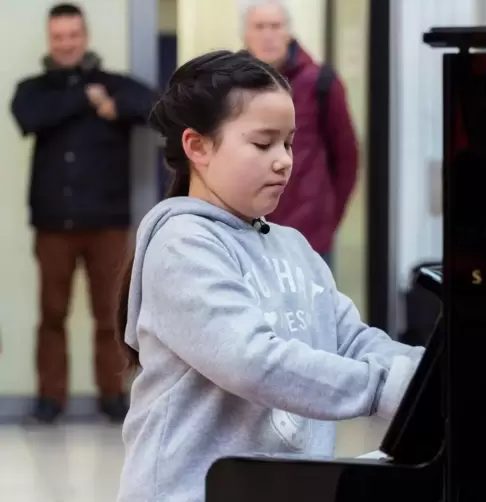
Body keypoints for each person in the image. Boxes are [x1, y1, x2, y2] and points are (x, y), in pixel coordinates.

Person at [115, 50, 423, 502]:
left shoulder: (293, 246)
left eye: (289, 143)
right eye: (263, 144)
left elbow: (352, 340)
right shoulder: (181, 243)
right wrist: (385, 388)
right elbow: (251, 361)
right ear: (197, 147)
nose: (283, 161)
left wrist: (424, 374)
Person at [9, 3, 155, 424]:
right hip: (53, 223)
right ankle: (49, 399)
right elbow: (27, 117)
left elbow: (153, 104)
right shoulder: (34, 89)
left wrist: (112, 105)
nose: (67, 43)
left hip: (107, 223)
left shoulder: (112, 86)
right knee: (51, 315)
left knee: (110, 316)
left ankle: (112, 396)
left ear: (85, 36)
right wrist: (82, 96)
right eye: (59, 36)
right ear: (50, 39)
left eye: (73, 35)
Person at [242, 0, 358, 268]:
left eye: (275, 26)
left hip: (308, 236)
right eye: (259, 27)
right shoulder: (231, 87)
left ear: (288, 32)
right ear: (246, 35)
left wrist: (327, 220)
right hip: (246, 233)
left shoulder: (320, 82)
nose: (268, 34)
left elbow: (346, 158)